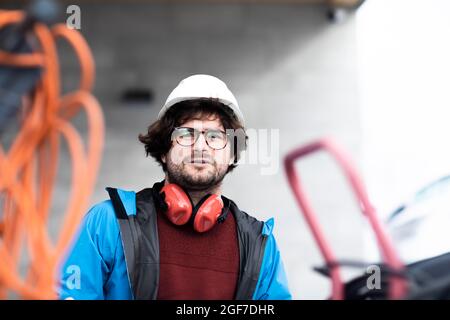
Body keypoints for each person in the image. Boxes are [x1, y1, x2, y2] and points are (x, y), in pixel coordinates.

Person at [59, 74, 291, 300]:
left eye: (215, 136)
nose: (200, 147)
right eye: (186, 134)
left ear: (232, 154)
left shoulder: (259, 244)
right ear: (163, 149)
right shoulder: (109, 223)